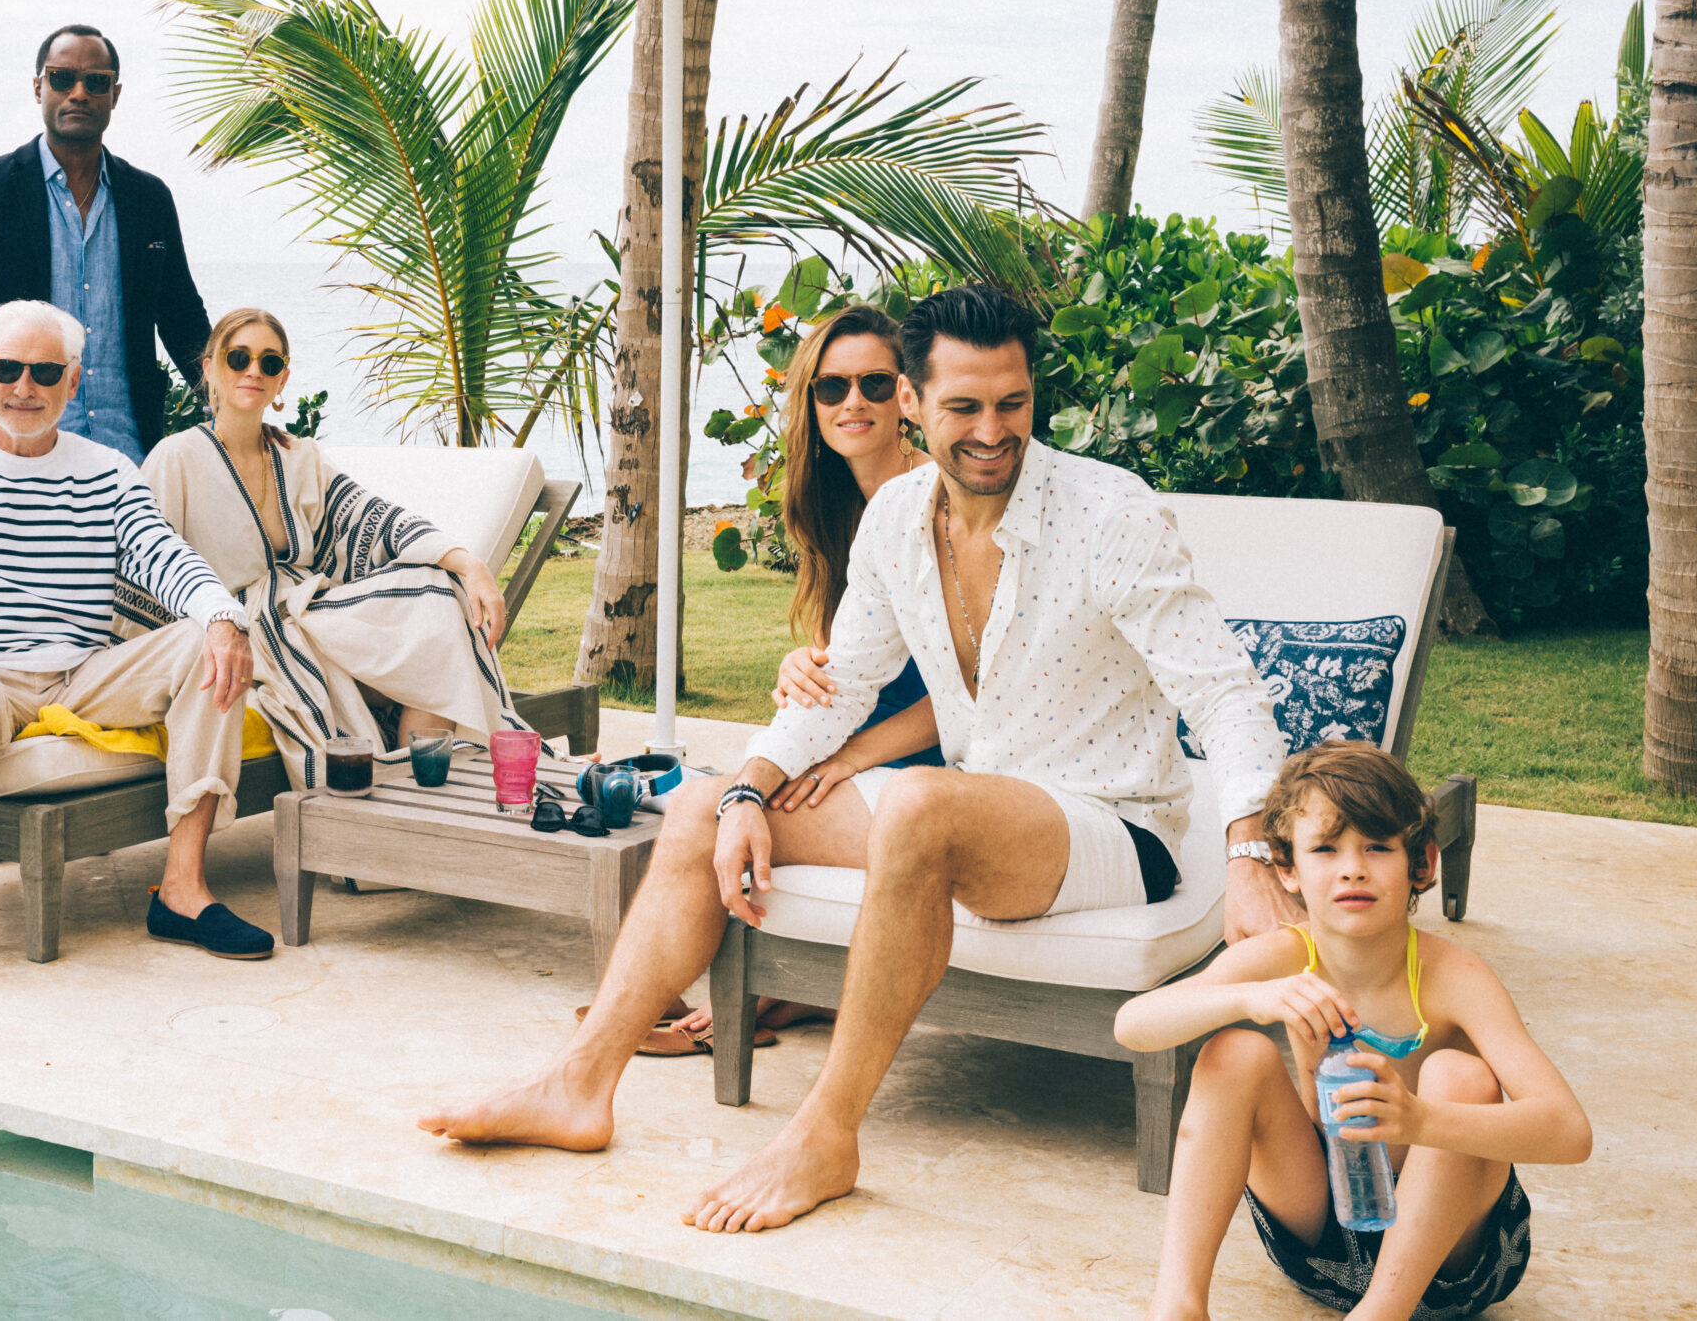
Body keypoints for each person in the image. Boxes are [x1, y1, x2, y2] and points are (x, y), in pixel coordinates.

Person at [419, 284, 1297, 1235]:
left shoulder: (1109, 514)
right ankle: (578, 1084)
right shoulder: (896, 520)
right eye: (964, 406)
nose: (993, 430)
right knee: (699, 803)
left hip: (1113, 823)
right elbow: (841, 684)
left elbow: (1226, 691)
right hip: (972, 805)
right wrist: (752, 786)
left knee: (923, 802)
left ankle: (826, 1134)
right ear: (916, 405)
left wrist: (1249, 854)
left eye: (1012, 402)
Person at [0, 299, 273, 976]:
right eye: (7, 367)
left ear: (73, 383)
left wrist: (223, 617)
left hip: (75, 675)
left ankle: (183, 887)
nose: (25, 386)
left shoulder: (106, 471)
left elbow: (159, 552)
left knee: (212, 639)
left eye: (45, 371)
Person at [1116, 741, 1590, 1321]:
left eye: (1377, 846)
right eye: (1325, 848)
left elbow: (1570, 1132)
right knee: (1231, 1052)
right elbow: (1132, 1025)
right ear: (1287, 870)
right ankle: (1178, 1308)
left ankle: (1380, 1313)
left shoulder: (1454, 977)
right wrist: (1251, 996)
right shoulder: (1286, 957)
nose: (1352, 867)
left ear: (1422, 864)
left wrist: (1421, 1120)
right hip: (1325, 1245)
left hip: (1451, 1264)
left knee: (1458, 1075)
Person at [647, 306, 938, 1054]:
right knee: (723, 792)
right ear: (810, 401)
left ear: (907, 396)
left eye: (876, 383)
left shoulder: (934, 500)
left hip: (931, 751)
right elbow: (840, 654)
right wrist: (796, 664)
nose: (854, 403)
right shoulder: (838, 507)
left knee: (728, 807)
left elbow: (966, 696)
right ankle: (768, 991)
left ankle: (760, 990)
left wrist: (848, 758)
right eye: (832, 387)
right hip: (864, 732)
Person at [140, 308, 518, 767]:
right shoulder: (175, 457)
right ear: (210, 367)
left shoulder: (299, 457)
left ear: (282, 380)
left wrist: (470, 566)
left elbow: (376, 519)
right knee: (436, 622)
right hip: (235, 632)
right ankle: (479, 768)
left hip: (306, 617)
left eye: (270, 362)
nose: (253, 371)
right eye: (237, 358)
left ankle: (426, 785)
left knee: (442, 595)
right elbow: (147, 563)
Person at [0, 25, 211, 461]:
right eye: (61, 78)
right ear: (38, 88)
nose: (79, 93)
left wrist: (224, 400)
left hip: (129, 451)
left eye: (96, 82)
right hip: (19, 446)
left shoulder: (148, 199)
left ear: (115, 94)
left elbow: (182, 316)